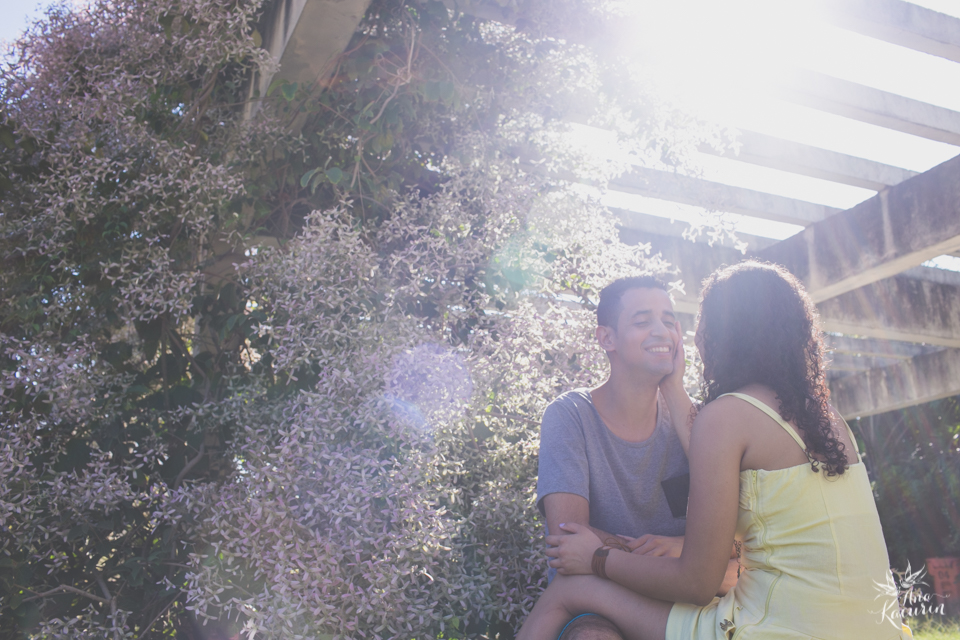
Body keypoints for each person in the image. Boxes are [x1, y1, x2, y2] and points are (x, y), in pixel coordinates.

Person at [519, 261, 908, 640]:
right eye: (644, 321)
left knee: (566, 593)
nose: (682, 334)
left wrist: (601, 556)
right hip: (872, 626)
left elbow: (700, 580)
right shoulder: (827, 418)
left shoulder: (723, 419)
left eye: (688, 321)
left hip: (775, 624)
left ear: (724, 333)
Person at [536, 276, 737, 640]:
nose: (661, 332)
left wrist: (675, 390)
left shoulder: (699, 422)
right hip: (602, 602)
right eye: (643, 321)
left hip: (691, 603)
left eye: (669, 321)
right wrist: (690, 557)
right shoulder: (570, 415)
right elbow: (568, 540)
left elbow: (743, 535)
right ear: (606, 338)